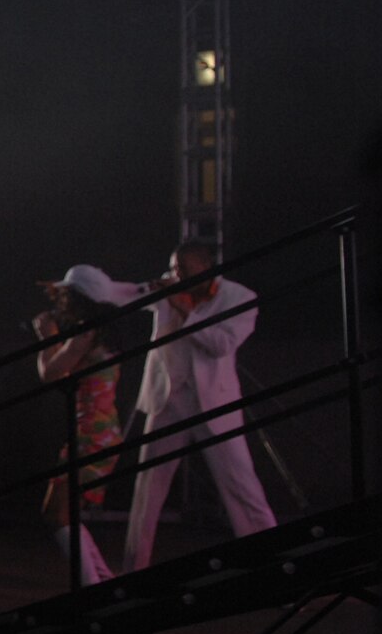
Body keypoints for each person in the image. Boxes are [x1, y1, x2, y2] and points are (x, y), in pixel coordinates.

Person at [104, 242, 277, 570]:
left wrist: (186, 312)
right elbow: (128, 295)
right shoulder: (168, 287)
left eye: (184, 269)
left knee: (241, 485)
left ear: (206, 267)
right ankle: (133, 570)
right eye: (174, 268)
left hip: (214, 403)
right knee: (147, 490)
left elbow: (221, 345)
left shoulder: (240, 298)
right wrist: (88, 286)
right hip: (167, 399)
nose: (177, 275)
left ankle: (272, 562)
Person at [31, 268, 125, 584]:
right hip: (100, 431)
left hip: (91, 435)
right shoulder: (102, 333)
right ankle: (102, 579)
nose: (61, 301)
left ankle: (92, 585)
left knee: (56, 514)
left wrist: (46, 336)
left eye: (66, 295)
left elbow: (49, 373)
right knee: (66, 513)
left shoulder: (86, 333)